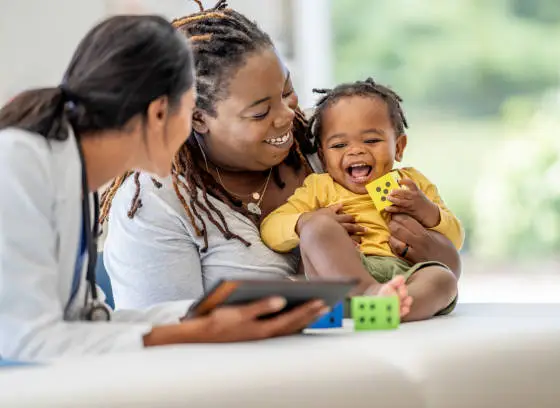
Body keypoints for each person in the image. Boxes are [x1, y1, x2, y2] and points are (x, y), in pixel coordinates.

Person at [101, 1, 460, 321]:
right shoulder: (155, 205)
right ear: (198, 118)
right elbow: (163, 337)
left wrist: (429, 243)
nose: (287, 116)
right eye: (260, 112)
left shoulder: (330, 146)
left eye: (287, 92)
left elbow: (447, 264)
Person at [0, 14, 328, 362]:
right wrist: (202, 332)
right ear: (159, 113)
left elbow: (87, 323)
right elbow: (24, 342)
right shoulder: (19, 164)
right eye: (190, 111)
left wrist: (210, 316)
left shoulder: (76, 179)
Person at [261, 78, 464, 321]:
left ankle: (392, 309)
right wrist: (304, 222)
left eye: (371, 141)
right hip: (347, 272)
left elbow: (455, 238)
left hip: (406, 275)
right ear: (324, 157)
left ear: (398, 147)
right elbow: (271, 229)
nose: (355, 150)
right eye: (339, 144)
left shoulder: (410, 183)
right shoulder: (321, 187)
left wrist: (427, 211)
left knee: (443, 278)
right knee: (317, 228)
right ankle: (368, 295)